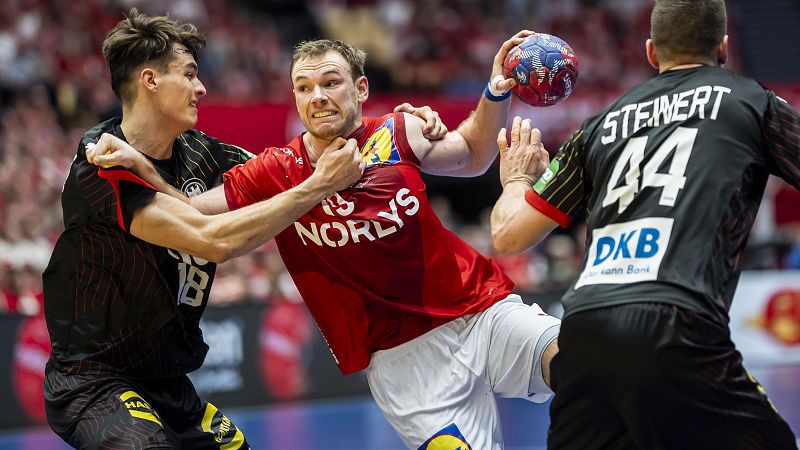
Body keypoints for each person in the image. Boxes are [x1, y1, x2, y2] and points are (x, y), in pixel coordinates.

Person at [90, 35, 562, 449]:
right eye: (303, 87)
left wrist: (495, 88)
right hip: (403, 364)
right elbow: (192, 212)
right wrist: (141, 166)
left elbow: (476, 156)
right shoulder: (276, 170)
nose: (317, 96)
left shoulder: (397, 132)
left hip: (479, 311)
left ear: (360, 88)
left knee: (583, 365)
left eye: (331, 82)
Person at [42, 9, 444, 449]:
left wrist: (396, 127)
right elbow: (212, 239)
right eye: (190, 75)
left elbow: (299, 166)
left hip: (169, 383)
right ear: (150, 80)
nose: (202, 88)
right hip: (95, 378)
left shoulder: (210, 156)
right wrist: (318, 185)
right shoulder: (101, 161)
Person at [490, 0, 800, 448]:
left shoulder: (597, 127)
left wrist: (517, 179)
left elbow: (508, 235)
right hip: (676, 321)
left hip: (582, 331)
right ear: (725, 48)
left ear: (652, 52)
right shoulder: (752, 102)